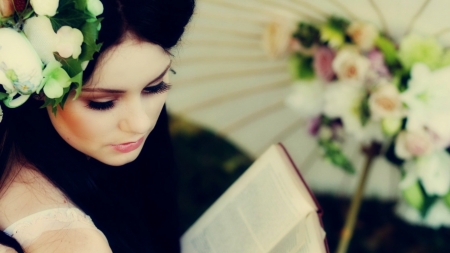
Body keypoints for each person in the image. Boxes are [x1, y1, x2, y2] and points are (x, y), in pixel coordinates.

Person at [0, 0, 195, 252]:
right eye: (103, 103)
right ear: (38, 88)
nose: (140, 123)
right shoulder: (71, 244)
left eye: (155, 87)